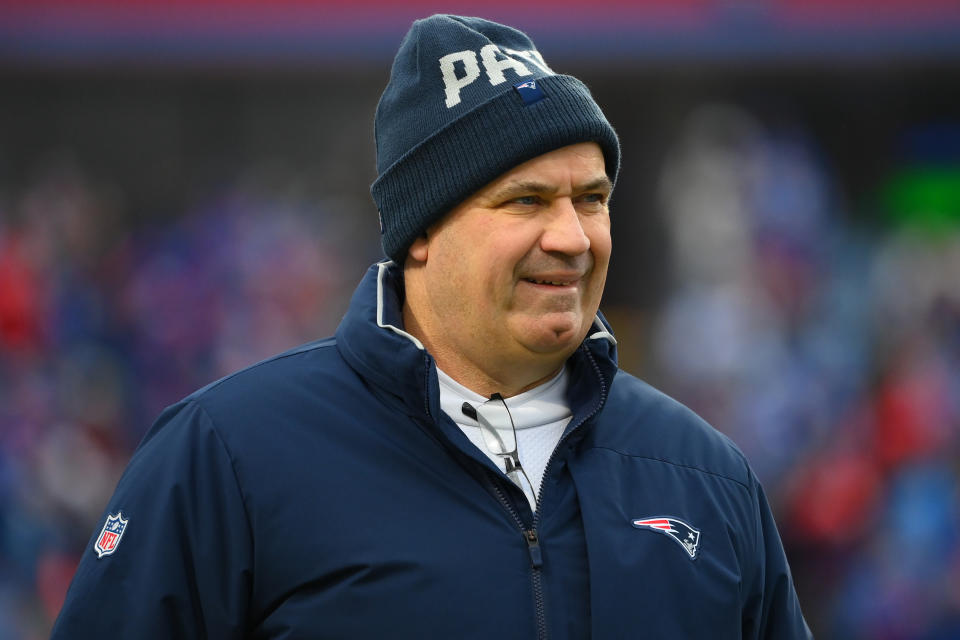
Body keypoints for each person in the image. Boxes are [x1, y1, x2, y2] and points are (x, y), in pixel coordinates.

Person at [52, 14, 812, 639]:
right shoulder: (227, 455)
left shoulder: (707, 478)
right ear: (420, 229)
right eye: (526, 201)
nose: (573, 237)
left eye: (591, 198)